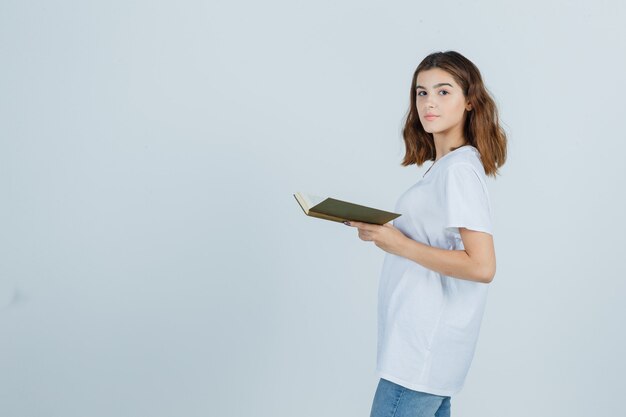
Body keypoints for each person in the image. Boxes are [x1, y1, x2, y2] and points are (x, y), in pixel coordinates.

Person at [345, 51, 507, 417]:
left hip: (420, 355)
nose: (429, 102)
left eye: (443, 91)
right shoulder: (447, 168)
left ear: (469, 101)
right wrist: (388, 236)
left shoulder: (459, 172)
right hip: (423, 354)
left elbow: (482, 266)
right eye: (421, 92)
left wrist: (399, 244)